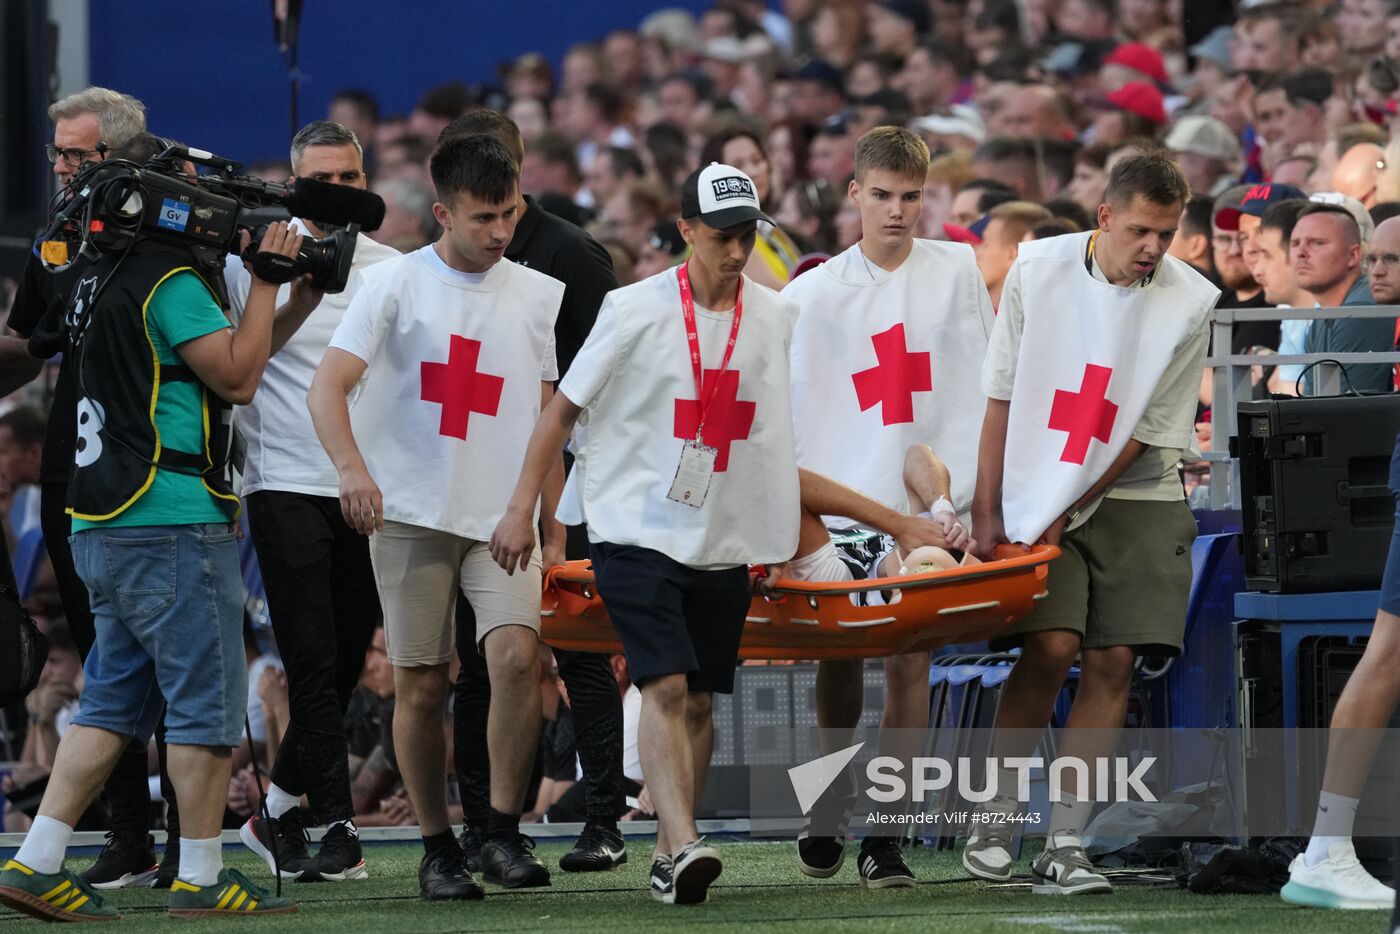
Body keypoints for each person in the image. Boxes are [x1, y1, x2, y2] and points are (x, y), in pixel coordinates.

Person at [489, 162, 801, 905]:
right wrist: (523, 509)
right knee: (661, 681)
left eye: (748, 236)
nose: (736, 251)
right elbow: (560, 413)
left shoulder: (777, 315)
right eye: (722, 236)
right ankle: (686, 842)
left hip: (722, 533)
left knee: (697, 698)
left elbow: (776, 437)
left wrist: (781, 538)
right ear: (685, 231)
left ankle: (669, 851)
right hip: (632, 525)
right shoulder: (631, 310)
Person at [0, 199, 306, 920]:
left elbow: (224, 356)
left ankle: (37, 860)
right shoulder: (168, 281)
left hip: (97, 518)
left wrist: (298, 298)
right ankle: (202, 877)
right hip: (168, 518)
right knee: (205, 703)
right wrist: (265, 281)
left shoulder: (91, 276)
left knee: (112, 699)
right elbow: (236, 377)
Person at [308, 133, 564, 901]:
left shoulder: (535, 293)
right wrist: (353, 471)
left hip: (503, 517)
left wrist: (550, 524)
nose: (500, 232)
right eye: (484, 217)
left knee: (518, 660)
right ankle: (436, 845)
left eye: (510, 214)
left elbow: (549, 418)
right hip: (413, 509)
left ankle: (501, 832)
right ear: (443, 213)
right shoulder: (393, 287)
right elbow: (327, 389)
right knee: (420, 682)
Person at [965, 154, 1219, 894]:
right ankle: (997, 813)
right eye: (1140, 229)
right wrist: (989, 512)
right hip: (1032, 488)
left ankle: (1066, 839)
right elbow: (1000, 393)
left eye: (1166, 234)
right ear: (1104, 217)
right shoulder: (1035, 270)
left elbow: (1148, 430)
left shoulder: (1190, 299)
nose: (1153, 247)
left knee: (1113, 661)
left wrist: (1070, 504)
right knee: (1047, 646)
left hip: (1136, 494)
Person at [779, 125, 992, 887]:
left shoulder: (958, 272)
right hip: (836, 502)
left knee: (909, 659)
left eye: (910, 197)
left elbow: (976, 382)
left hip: (926, 500)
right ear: (853, 194)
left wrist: (958, 497)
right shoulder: (807, 296)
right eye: (882, 196)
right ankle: (828, 806)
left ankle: (887, 835)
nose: (896, 212)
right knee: (838, 663)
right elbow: (789, 416)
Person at [434, 109, 629, 877]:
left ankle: (605, 818)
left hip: (570, 483)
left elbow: (607, 369)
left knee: (578, 653)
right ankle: (487, 822)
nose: (497, 220)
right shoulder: (447, 258)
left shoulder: (572, 256)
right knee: (478, 666)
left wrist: (568, 496)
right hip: (472, 485)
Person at [221, 121, 400, 885]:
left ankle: (277, 809)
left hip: (366, 486)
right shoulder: (250, 263)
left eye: (350, 179)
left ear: (367, 182)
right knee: (311, 656)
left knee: (345, 658)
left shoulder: (395, 267)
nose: (336, 191)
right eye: (321, 177)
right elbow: (232, 360)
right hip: (281, 475)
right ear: (295, 182)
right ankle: (337, 827)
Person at [3, 87, 168, 892]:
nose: (64, 169)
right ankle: (129, 833)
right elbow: (27, 344)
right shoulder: (57, 239)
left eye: (79, 155)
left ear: (125, 156)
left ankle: (194, 839)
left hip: (159, 468)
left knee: (180, 657)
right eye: (58, 154)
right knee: (103, 650)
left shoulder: (171, 235)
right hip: (75, 464)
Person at [1295, 203, 1396, 394]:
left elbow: (1352, 415)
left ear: (1353, 255)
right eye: (1295, 243)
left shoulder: (1361, 311)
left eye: (1317, 242)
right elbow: (1311, 404)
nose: (1300, 252)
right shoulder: (1321, 316)